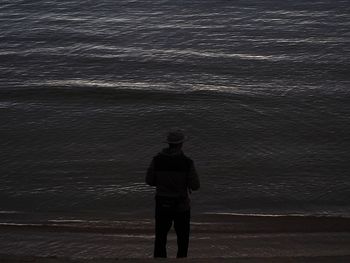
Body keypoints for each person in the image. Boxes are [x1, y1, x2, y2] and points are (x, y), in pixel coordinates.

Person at [146, 129, 200, 258]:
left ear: (168, 144)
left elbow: (149, 181)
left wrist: (162, 183)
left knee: (160, 238)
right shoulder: (187, 163)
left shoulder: (157, 160)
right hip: (181, 205)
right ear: (181, 144)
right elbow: (195, 186)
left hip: (162, 204)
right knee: (182, 239)